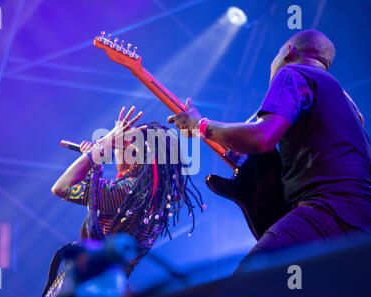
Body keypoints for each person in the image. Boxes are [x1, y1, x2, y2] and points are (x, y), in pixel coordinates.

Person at [167, 30, 371, 271]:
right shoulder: (349, 104)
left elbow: (263, 137)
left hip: (327, 209)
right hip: (362, 226)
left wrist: (202, 126)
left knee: (247, 284)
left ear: (289, 52)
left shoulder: (293, 72)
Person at [51, 106, 204, 276]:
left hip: (94, 281)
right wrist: (94, 162)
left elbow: (62, 188)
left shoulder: (129, 191)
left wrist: (102, 146)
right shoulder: (146, 193)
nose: (116, 148)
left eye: (122, 142)